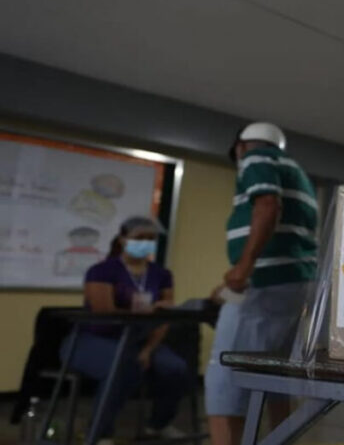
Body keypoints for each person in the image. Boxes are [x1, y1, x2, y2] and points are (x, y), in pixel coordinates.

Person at [205, 122, 318, 445]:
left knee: (225, 375)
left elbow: (268, 204)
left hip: (262, 282)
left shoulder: (256, 158)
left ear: (241, 146)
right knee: (276, 375)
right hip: (295, 285)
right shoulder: (298, 173)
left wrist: (243, 269)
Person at [60, 216, 187, 443]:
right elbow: (104, 312)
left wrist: (148, 349)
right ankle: (100, 432)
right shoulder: (101, 270)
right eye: (140, 238)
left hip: (139, 340)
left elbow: (164, 316)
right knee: (123, 366)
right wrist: (147, 311)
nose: (145, 243)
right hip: (92, 340)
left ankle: (158, 424)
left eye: (151, 239)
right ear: (122, 239)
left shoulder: (162, 274)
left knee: (175, 368)